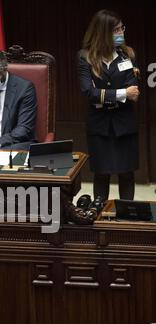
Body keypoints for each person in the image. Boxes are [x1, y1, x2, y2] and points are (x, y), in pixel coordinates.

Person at [78, 9, 140, 201]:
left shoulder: (127, 55)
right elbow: (89, 92)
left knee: (127, 173)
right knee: (102, 173)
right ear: (103, 33)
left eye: (122, 28)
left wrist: (104, 94)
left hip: (124, 123)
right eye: (116, 30)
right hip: (100, 125)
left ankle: (127, 217)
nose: (121, 33)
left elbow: (134, 92)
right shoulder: (85, 57)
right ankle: (99, 215)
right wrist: (122, 93)